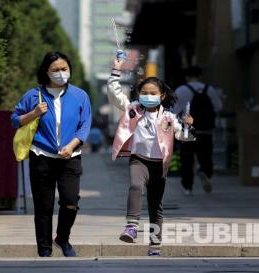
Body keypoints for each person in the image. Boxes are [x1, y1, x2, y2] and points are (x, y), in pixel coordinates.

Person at [107, 50, 194, 256]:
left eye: (153, 93)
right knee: (136, 186)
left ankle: (155, 245)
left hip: (159, 165)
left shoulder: (170, 118)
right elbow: (114, 93)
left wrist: (189, 126)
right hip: (138, 160)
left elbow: (184, 137)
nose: (148, 96)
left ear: (162, 96)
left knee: (156, 206)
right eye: (144, 93)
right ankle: (132, 226)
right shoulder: (133, 109)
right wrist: (117, 68)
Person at [11, 51, 91, 257]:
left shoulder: (80, 95)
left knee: (70, 201)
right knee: (43, 207)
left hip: (70, 157)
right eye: (55, 70)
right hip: (41, 157)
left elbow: (84, 126)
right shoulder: (33, 95)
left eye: (64, 69)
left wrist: (72, 145)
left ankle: (62, 238)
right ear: (46, 72)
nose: (61, 73)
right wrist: (34, 113)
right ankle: (44, 250)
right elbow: (14, 120)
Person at [173, 65, 223, 196]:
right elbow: (218, 107)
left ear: (186, 77)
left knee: (187, 160)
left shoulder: (182, 90)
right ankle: (204, 172)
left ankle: (187, 187)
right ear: (200, 76)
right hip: (205, 131)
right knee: (206, 157)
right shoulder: (209, 89)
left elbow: (173, 111)